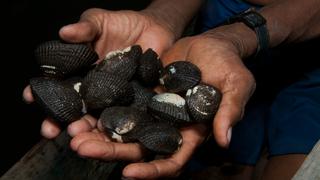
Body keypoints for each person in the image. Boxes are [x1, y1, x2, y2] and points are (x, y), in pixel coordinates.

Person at [22, 0, 320, 179]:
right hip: (209, 45)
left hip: (308, 65)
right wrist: (163, 17)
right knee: (225, 166)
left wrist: (239, 36)